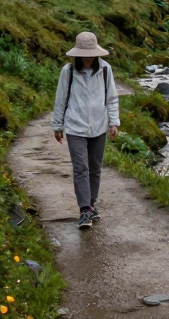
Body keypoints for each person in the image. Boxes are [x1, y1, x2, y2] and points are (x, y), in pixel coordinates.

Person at [51, 31, 120, 230]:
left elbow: (112, 98)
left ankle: (91, 203)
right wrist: (58, 125)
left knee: (95, 168)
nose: (88, 56)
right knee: (81, 168)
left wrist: (113, 123)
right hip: (75, 126)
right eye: (84, 52)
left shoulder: (106, 70)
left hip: (99, 126)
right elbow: (60, 99)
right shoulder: (69, 71)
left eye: (91, 52)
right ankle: (84, 210)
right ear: (77, 53)